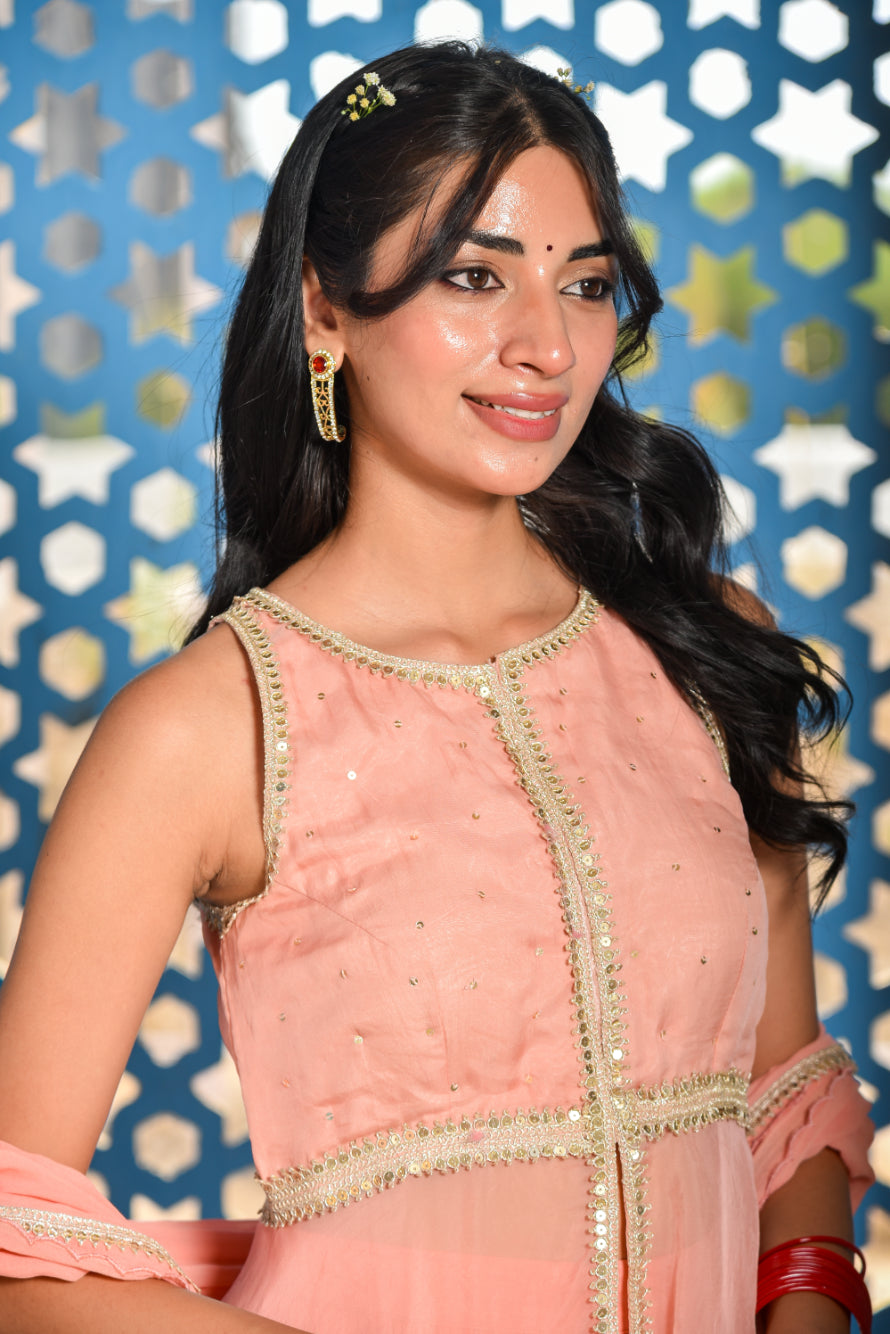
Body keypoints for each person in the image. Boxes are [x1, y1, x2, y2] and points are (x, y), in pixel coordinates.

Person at [0, 41, 875, 1334]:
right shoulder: (208, 723)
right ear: (323, 309)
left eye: (582, 285)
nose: (542, 346)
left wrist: (807, 1296)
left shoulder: (703, 645)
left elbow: (782, 1083)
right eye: (472, 276)